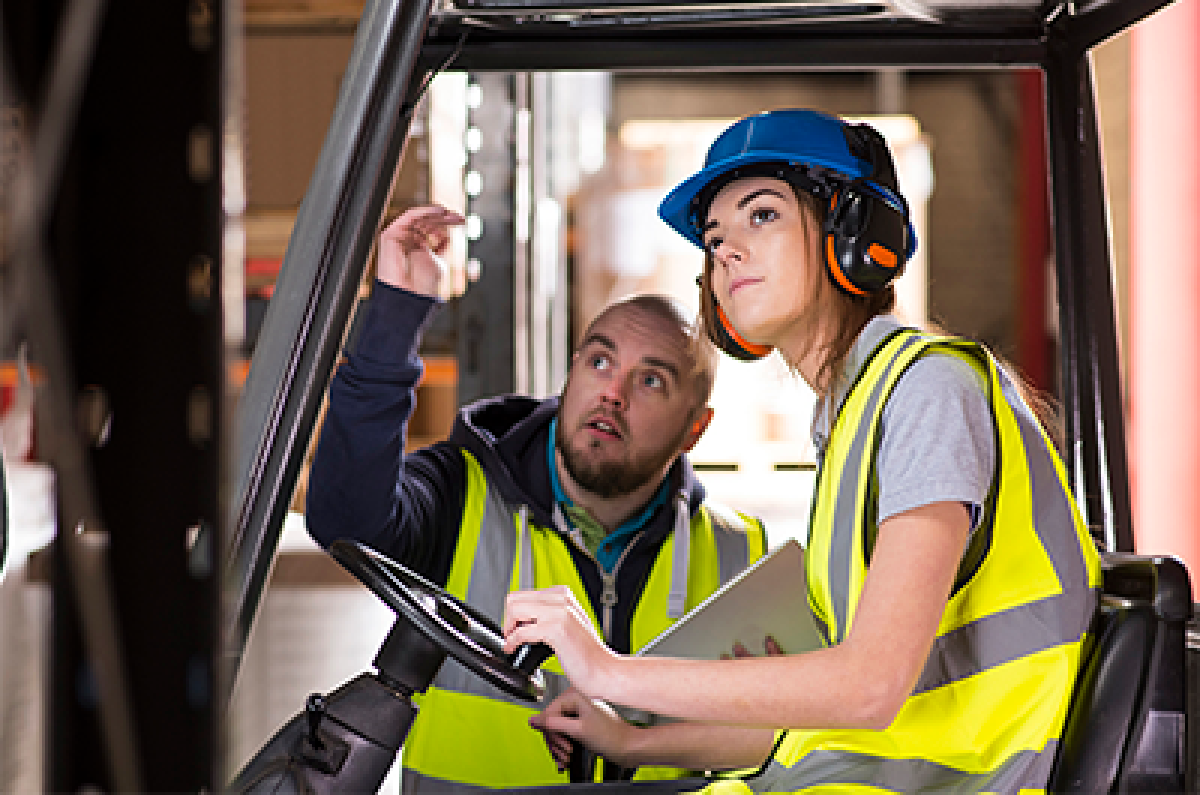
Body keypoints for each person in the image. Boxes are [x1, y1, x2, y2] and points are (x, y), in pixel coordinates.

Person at [503, 108, 1102, 793]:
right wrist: (634, 739)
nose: (726, 251)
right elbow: (823, 711)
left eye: (761, 216)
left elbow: (870, 688)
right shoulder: (852, 415)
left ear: (855, 233)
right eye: (715, 236)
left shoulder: (929, 389)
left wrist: (608, 668)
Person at [305, 204, 768, 792]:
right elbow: (344, 520)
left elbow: (775, 750)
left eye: (651, 380)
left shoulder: (738, 554)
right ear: (571, 374)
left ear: (693, 430)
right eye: (599, 361)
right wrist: (395, 314)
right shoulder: (460, 493)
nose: (613, 393)